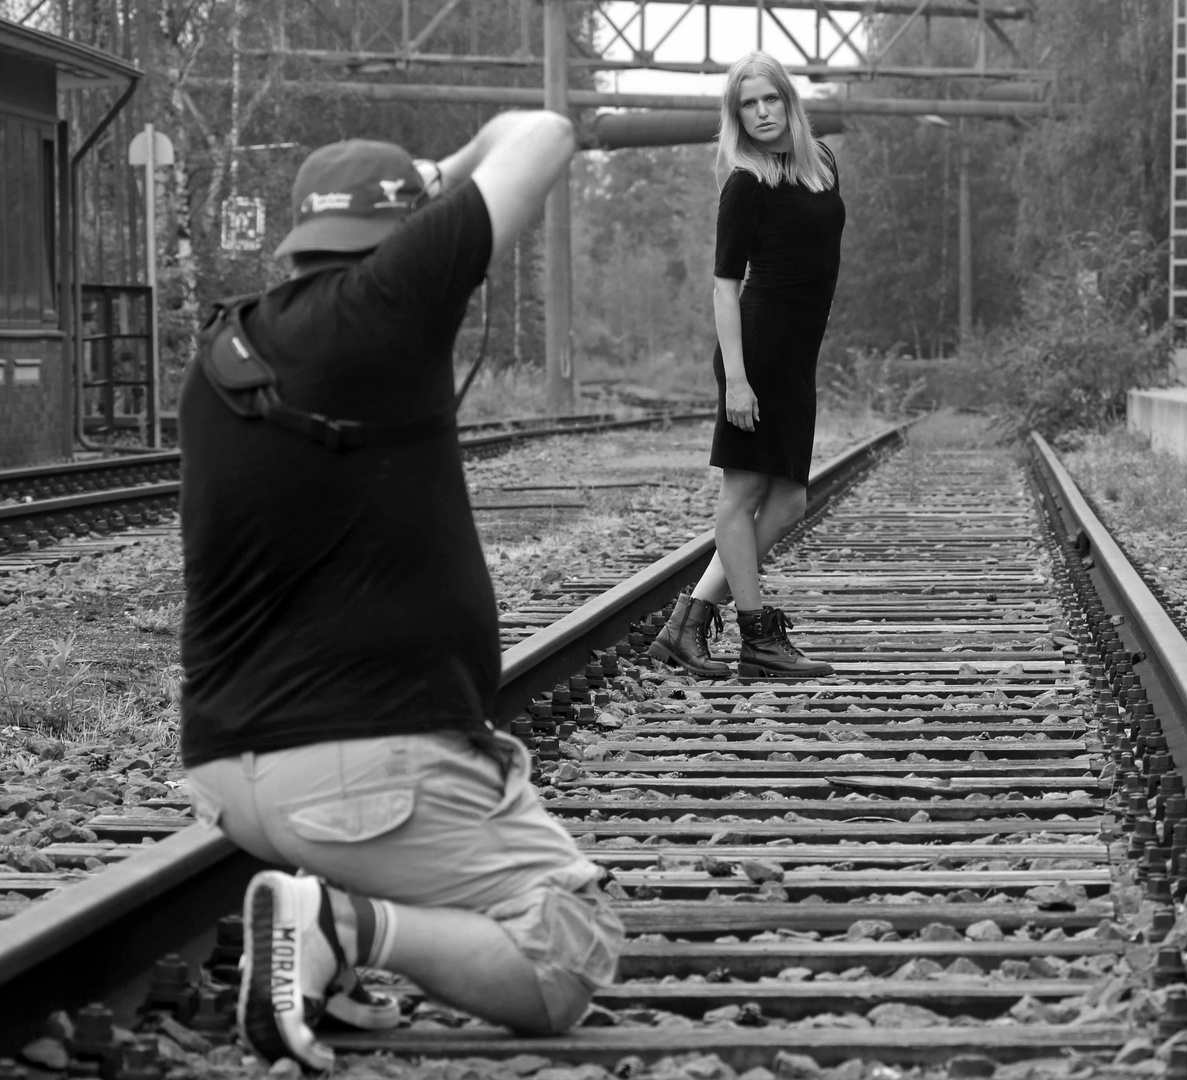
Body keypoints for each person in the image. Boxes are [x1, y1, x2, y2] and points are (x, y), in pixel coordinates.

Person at [178, 114, 622, 1071]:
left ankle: (328, 954)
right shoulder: (390, 303)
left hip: (231, 768)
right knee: (570, 949)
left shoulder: (222, 357)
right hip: (355, 774)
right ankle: (339, 927)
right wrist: (443, 171)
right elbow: (544, 133)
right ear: (402, 239)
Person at [649, 51, 846, 681]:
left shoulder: (823, 168)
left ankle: (691, 619)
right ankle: (757, 637)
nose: (761, 113)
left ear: (789, 101)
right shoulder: (745, 182)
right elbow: (724, 286)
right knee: (742, 494)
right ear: (736, 116)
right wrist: (735, 377)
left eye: (770, 99)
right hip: (756, 351)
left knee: (788, 501)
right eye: (748, 104)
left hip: (796, 355)